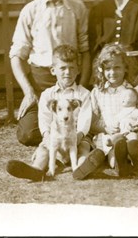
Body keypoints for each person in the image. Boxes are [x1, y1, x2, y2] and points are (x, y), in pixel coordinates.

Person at [9, 0, 91, 147]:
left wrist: (84, 87)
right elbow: (16, 56)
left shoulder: (77, 7)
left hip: (71, 81)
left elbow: (85, 50)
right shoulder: (31, 10)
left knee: (87, 124)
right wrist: (29, 92)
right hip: (42, 83)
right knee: (28, 135)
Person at [6, 45, 92, 181]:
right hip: (56, 136)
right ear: (53, 70)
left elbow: (85, 119)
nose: (67, 73)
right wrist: (46, 136)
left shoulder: (83, 94)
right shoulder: (48, 95)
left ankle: (81, 168)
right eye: (63, 68)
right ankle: (37, 169)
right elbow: (44, 118)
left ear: (78, 70)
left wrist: (79, 135)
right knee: (44, 149)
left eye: (72, 68)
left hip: (78, 137)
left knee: (84, 148)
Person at [72, 44, 138, 179]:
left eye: (117, 67)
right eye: (108, 69)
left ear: (125, 68)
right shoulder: (97, 92)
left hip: (131, 136)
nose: (112, 72)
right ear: (102, 70)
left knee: (128, 144)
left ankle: (135, 162)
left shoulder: (134, 91)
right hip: (108, 137)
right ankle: (117, 165)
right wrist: (105, 128)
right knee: (113, 152)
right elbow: (92, 124)